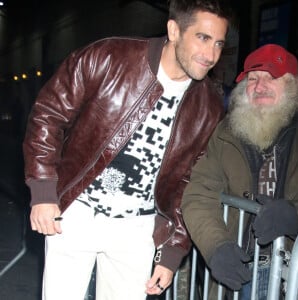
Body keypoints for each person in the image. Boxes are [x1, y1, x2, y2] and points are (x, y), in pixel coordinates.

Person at [22, 1, 234, 299]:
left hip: (138, 229)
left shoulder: (209, 106)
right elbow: (49, 114)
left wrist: (173, 249)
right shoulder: (109, 57)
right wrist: (43, 190)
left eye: (219, 44)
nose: (211, 55)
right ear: (174, 30)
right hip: (75, 213)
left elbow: (190, 181)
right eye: (202, 38)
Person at [181, 43, 298, 299]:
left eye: (272, 78)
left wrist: (295, 215)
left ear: (293, 85)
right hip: (242, 270)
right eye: (253, 78)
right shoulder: (226, 132)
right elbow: (200, 194)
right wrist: (216, 246)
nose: (259, 86)